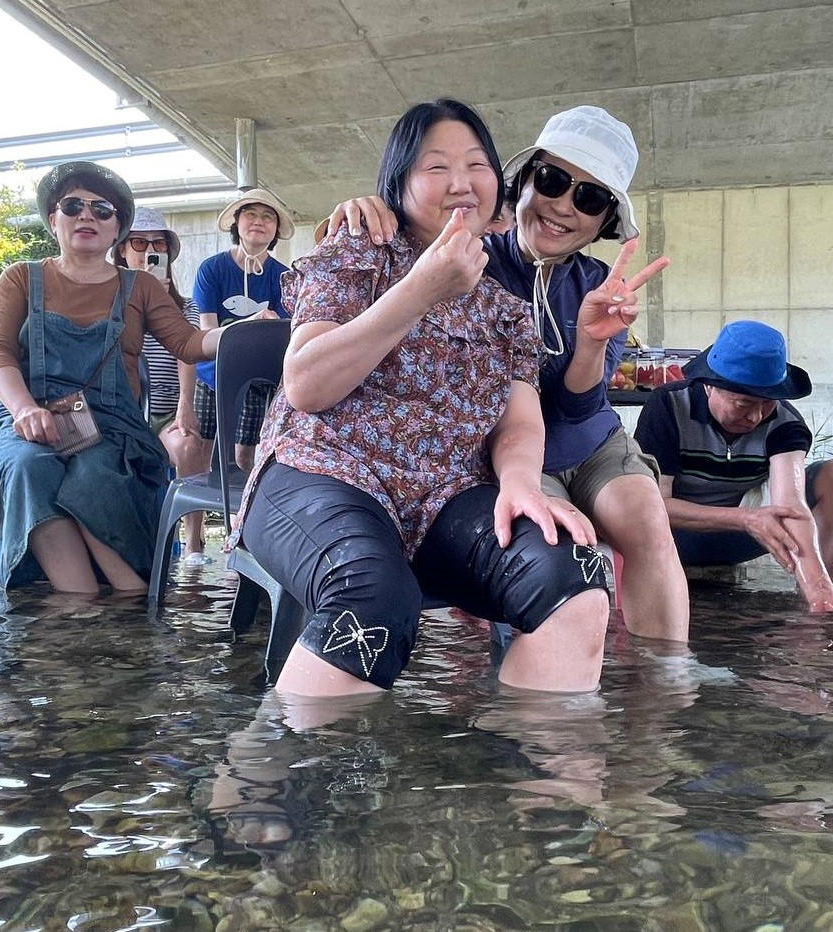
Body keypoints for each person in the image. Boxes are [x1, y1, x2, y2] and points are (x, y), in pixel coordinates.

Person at [229, 98, 612, 698]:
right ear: (398, 185)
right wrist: (420, 290)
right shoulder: (354, 253)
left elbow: (520, 420)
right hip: (321, 472)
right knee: (373, 598)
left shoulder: (505, 309)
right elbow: (307, 384)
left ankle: (529, 780)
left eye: (477, 164)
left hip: (443, 498)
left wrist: (519, 483)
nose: (461, 183)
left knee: (577, 571)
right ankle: (271, 784)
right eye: (435, 167)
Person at [324, 106, 689, 644]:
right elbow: (405, 241)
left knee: (649, 524)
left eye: (589, 198)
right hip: (499, 448)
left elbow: (576, 410)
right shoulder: (460, 257)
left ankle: (667, 683)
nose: (564, 206)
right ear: (521, 184)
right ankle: (529, 679)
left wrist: (591, 341)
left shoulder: (600, 286)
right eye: (553, 181)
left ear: (603, 220)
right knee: (551, 542)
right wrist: (368, 209)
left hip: (588, 441)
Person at [0, 161, 223, 594]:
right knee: (27, 466)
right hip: (25, 417)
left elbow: (189, 344)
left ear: (116, 229)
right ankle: (90, 609)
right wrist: (25, 409)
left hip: (113, 425)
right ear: (54, 220)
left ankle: (107, 607)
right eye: (73, 205)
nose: (87, 215)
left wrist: (246, 330)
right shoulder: (19, 278)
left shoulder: (141, 285)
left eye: (102, 209)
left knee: (96, 475)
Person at [633, 320, 833, 613]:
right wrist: (745, 518)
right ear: (708, 386)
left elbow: (790, 508)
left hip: (743, 540)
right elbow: (653, 506)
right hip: (673, 535)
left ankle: (811, 604)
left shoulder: (785, 422)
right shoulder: (669, 406)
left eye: (766, 403)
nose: (755, 416)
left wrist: (820, 593)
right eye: (742, 403)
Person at [114, 206, 212, 567]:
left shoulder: (183, 305)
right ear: (123, 249)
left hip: (169, 407)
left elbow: (186, 351)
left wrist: (186, 404)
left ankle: (193, 543)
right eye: (138, 242)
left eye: (157, 243)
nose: (148, 249)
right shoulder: (109, 303)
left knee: (187, 448)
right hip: (125, 412)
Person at [192, 189, 294, 472]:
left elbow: (280, 338)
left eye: (267, 216)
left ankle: (241, 517)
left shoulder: (284, 277)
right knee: (200, 453)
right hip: (211, 375)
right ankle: (193, 519)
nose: (258, 221)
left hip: (256, 382)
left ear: (276, 229)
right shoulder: (211, 269)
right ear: (237, 222)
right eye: (250, 214)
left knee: (245, 459)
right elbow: (207, 330)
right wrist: (252, 324)